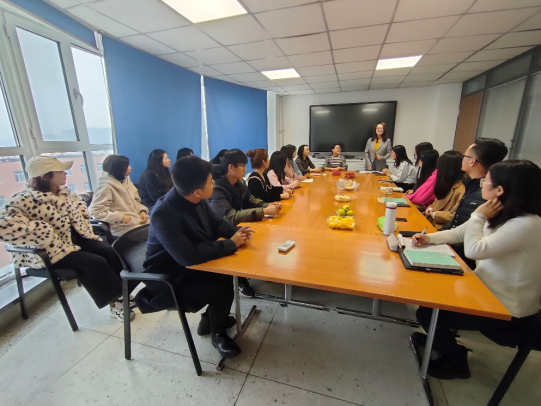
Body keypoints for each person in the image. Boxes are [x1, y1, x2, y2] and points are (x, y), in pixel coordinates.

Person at [411, 160, 541, 380]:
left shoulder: (526, 224)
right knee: (430, 297)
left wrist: (478, 216)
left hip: (506, 312)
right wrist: (428, 238)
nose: (481, 184)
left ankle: (455, 359)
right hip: (484, 292)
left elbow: (474, 250)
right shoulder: (504, 214)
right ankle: (438, 338)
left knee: (427, 312)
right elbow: (460, 233)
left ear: (499, 190)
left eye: (485, 181)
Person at [141, 156, 255, 358]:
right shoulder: (163, 213)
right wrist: (231, 243)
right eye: (210, 182)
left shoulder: (193, 198)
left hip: (187, 267)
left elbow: (216, 222)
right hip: (169, 279)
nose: (214, 184)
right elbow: (188, 256)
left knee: (224, 274)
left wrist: (236, 232)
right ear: (197, 191)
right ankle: (218, 333)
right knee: (220, 284)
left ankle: (210, 320)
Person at [0, 156, 134, 321]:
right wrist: (41, 231)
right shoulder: (24, 199)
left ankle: (122, 292)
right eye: (60, 171)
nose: (65, 174)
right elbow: (4, 227)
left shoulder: (64, 193)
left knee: (110, 251)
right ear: (45, 176)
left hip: (75, 240)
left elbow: (82, 208)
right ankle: (115, 303)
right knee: (95, 263)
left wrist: (80, 213)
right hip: (51, 250)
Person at [208, 149, 281, 298]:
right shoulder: (217, 188)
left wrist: (266, 205)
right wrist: (263, 211)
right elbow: (230, 217)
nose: (245, 170)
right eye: (242, 166)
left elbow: (250, 198)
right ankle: (240, 281)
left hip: (235, 224)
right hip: (220, 231)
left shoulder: (239, 182)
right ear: (231, 167)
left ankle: (260, 269)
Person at [439, 138, 508, 268]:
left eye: (464, 156)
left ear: (472, 161)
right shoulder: (472, 187)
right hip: (455, 249)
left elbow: (470, 235)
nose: (462, 159)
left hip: (463, 259)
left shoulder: (485, 194)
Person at [89, 155, 149, 237]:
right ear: (119, 169)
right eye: (127, 166)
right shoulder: (106, 187)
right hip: (123, 227)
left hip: (138, 221)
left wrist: (142, 211)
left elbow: (135, 201)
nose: (130, 168)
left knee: (161, 229)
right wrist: (121, 218)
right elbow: (95, 211)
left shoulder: (126, 181)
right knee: (156, 236)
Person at [424, 151, 466, 229]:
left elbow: (455, 215)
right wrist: (430, 208)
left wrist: (434, 214)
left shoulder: (462, 189)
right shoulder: (446, 184)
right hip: (431, 222)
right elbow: (435, 204)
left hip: (442, 228)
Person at [138, 149, 173, 214]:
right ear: (159, 161)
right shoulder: (149, 174)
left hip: (163, 203)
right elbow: (155, 197)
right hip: (151, 205)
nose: (169, 160)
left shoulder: (165, 173)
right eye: (166, 158)